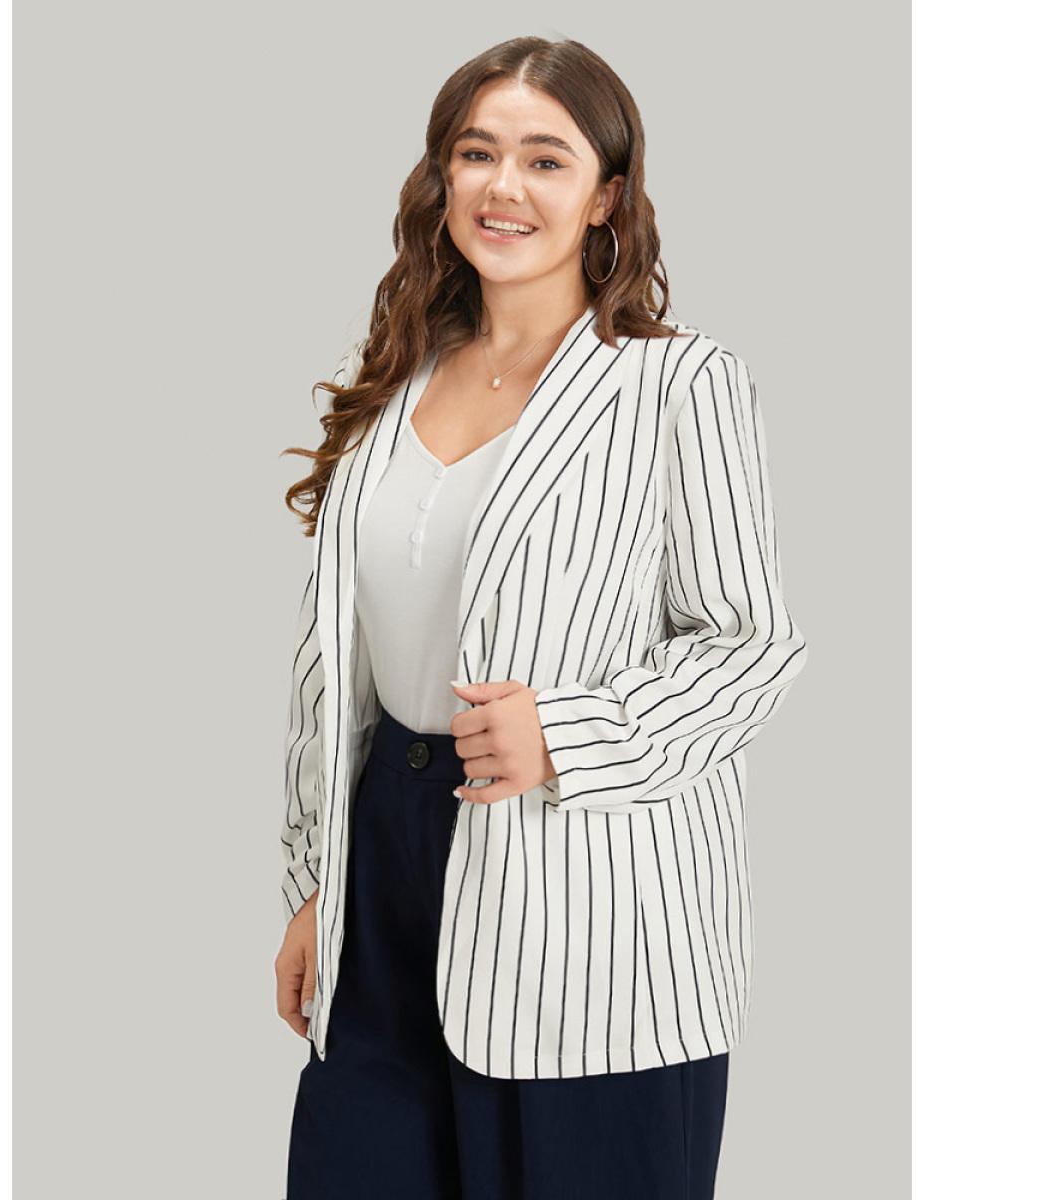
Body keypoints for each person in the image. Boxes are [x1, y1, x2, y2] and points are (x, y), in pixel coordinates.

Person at [275, 35, 809, 1199]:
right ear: (442, 177)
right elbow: (336, 658)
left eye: (545, 159)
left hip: (593, 911)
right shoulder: (397, 376)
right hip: (386, 866)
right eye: (476, 154)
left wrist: (564, 733)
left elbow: (753, 646)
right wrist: (318, 878)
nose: (503, 186)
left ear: (605, 195)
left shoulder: (678, 384)